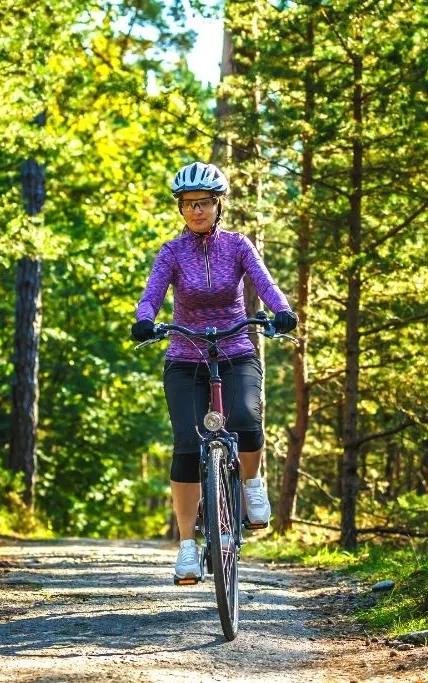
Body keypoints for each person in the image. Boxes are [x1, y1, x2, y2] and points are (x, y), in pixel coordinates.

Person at [131, 161, 298, 581]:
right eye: (188, 204)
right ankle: (188, 546)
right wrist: (144, 318)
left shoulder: (238, 245)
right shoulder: (172, 251)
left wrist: (281, 310)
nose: (196, 211)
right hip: (186, 356)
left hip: (236, 349)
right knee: (188, 443)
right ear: (181, 209)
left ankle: (251, 483)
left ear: (218, 205)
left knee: (244, 416)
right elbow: (152, 292)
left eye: (204, 203)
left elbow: (264, 282)